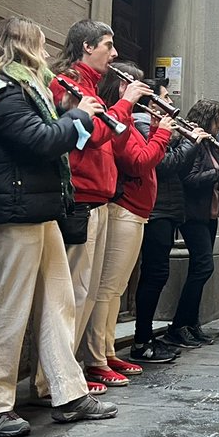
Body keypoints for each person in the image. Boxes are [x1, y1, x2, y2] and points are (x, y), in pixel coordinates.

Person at [0, 17, 117, 437]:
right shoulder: (2, 86)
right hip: (11, 210)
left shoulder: (27, 88)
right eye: (41, 44)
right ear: (23, 45)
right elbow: (39, 141)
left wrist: (66, 114)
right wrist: (78, 117)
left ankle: (68, 393)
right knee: (8, 309)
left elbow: (47, 135)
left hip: (36, 207)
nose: (47, 53)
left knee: (59, 303)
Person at [48, 20, 148, 392]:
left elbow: (108, 137)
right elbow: (91, 137)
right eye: (108, 44)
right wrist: (125, 103)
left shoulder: (91, 87)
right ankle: (60, 377)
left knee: (88, 293)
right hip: (82, 198)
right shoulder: (66, 83)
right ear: (87, 46)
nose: (115, 52)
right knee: (74, 294)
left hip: (100, 199)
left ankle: (74, 369)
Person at [82, 67, 173, 384]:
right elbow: (138, 162)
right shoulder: (116, 118)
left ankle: (106, 351)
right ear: (122, 86)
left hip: (134, 210)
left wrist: (156, 130)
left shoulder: (129, 121)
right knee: (107, 288)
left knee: (115, 288)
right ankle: (95, 357)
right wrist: (162, 134)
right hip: (123, 209)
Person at [131, 86, 209, 358]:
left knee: (158, 274)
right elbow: (163, 165)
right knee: (154, 275)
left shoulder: (160, 127)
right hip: (156, 209)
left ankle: (145, 338)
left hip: (167, 208)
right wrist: (189, 142)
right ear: (151, 101)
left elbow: (180, 169)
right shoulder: (141, 123)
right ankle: (141, 341)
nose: (170, 101)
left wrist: (188, 142)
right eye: (164, 97)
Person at [160, 99, 219, 342]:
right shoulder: (193, 141)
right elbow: (191, 179)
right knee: (204, 266)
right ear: (209, 119)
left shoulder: (209, 144)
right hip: (193, 214)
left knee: (200, 267)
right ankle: (178, 325)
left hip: (208, 213)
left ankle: (191, 323)